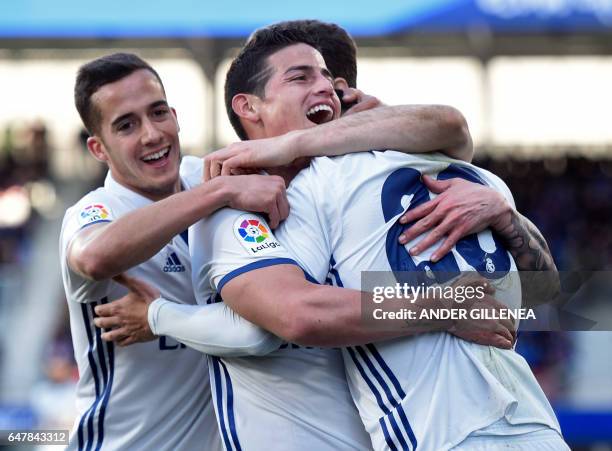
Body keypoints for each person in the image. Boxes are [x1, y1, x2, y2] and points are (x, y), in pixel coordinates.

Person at [97, 25, 564, 450]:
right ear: (249, 107)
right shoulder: (238, 204)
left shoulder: (454, 178)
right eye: (302, 78)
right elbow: (278, 321)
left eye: (331, 83)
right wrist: (159, 315)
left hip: (521, 423)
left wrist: (506, 216)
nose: (326, 92)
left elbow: (540, 297)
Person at [61, 52, 292, 450]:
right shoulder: (94, 212)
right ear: (99, 149)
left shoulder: (203, 175)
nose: (152, 134)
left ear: (175, 115)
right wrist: (217, 192)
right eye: (126, 125)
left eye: (157, 113)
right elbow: (93, 257)